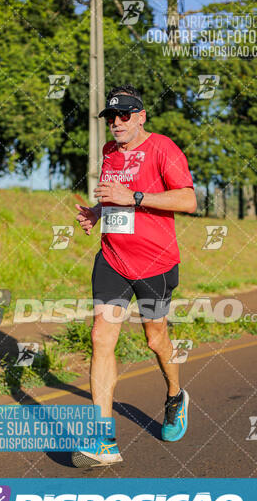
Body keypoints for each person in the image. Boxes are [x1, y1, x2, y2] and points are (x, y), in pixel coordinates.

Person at [73, 85, 197, 467]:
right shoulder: (110, 152)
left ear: (141, 116)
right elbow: (116, 195)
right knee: (100, 336)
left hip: (154, 263)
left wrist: (136, 198)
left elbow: (189, 200)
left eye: (124, 115)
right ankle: (103, 441)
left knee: (155, 338)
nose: (116, 123)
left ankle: (175, 396)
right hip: (112, 259)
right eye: (111, 117)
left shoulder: (163, 148)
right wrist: (98, 210)